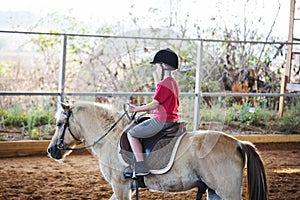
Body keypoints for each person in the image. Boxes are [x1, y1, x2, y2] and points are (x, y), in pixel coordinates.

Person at [127, 48, 180, 176]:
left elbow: (155, 103)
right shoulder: (173, 83)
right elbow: (163, 104)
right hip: (172, 118)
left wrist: (135, 109)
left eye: (157, 66)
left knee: (132, 134)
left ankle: (141, 165)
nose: (156, 69)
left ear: (163, 66)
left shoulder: (163, 84)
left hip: (162, 121)